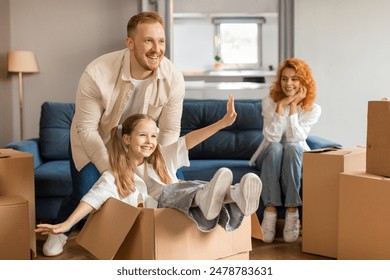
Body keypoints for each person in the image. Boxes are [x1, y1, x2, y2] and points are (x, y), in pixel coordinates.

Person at [42, 11, 186, 256]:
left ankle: (161, 238)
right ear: (130, 43)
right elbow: (86, 128)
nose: (156, 49)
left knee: (173, 185)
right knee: (88, 191)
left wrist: (160, 164)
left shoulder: (173, 78)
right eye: (148, 41)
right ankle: (61, 230)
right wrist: (113, 170)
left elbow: (170, 130)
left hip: (140, 144)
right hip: (95, 140)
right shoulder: (96, 73)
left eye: (161, 41)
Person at [36, 96, 262, 238]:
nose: (150, 141)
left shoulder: (162, 156)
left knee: (195, 185)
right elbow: (92, 198)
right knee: (170, 192)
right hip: (164, 218)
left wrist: (223, 123)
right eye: (143, 135)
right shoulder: (115, 175)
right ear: (126, 139)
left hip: (189, 211)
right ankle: (206, 199)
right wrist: (66, 224)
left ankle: (235, 194)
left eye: (154, 136)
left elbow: (190, 139)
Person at [249, 58, 321, 243]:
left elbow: (294, 138)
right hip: (268, 154)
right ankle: (270, 211)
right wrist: (282, 106)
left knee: (291, 147)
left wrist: (294, 106)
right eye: (284, 78)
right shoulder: (269, 102)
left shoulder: (313, 109)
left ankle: (292, 211)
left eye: (295, 79)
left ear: (303, 82)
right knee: (275, 147)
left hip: (293, 155)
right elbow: (272, 137)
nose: (288, 83)